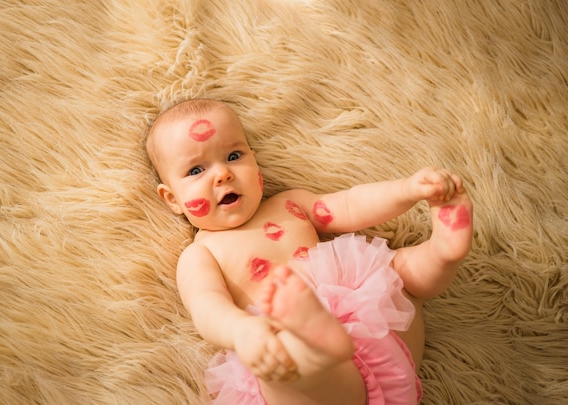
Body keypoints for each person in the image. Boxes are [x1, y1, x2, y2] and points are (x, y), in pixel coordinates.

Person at [145, 98, 473, 405]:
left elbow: (350, 204)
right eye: (196, 171)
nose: (223, 174)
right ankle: (313, 349)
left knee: (396, 268)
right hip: (300, 361)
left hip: (377, 326)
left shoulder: (289, 204)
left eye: (234, 156)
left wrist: (407, 190)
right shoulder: (201, 254)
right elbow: (207, 307)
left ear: (253, 158)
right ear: (172, 198)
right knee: (278, 375)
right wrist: (242, 331)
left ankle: (441, 252)